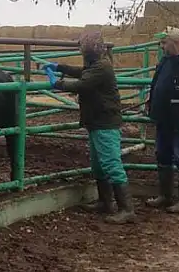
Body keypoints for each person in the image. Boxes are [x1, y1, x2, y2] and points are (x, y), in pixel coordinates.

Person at [43, 30, 135, 224]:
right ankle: (105, 202)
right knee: (98, 165)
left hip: (105, 123)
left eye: (82, 46)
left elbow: (83, 84)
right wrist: (60, 67)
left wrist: (57, 83)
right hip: (96, 121)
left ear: (89, 49)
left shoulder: (102, 67)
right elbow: (83, 73)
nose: (80, 49)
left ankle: (127, 209)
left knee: (111, 164)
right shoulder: (97, 64)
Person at [144, 26, 179, 213]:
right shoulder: (165, 61)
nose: (162, 46)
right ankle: (165, 195)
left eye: (164, 42)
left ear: (175, 42)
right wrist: (151, 99)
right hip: (163, 116)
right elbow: (157, 83)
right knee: (162, 154)